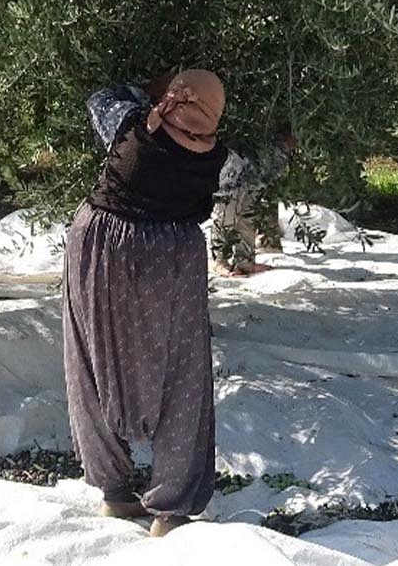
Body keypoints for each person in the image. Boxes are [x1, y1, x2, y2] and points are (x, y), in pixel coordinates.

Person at [64, 71, 292, 537]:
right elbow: (255, 172)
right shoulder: (220, 162)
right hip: (170, 257)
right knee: (182, 370)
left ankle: (114, 492)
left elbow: (99, 97)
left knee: (90, 359)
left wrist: (146, 86)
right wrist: (285, 147)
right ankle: (171, 509)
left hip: (98, 244)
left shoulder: (129, 124)